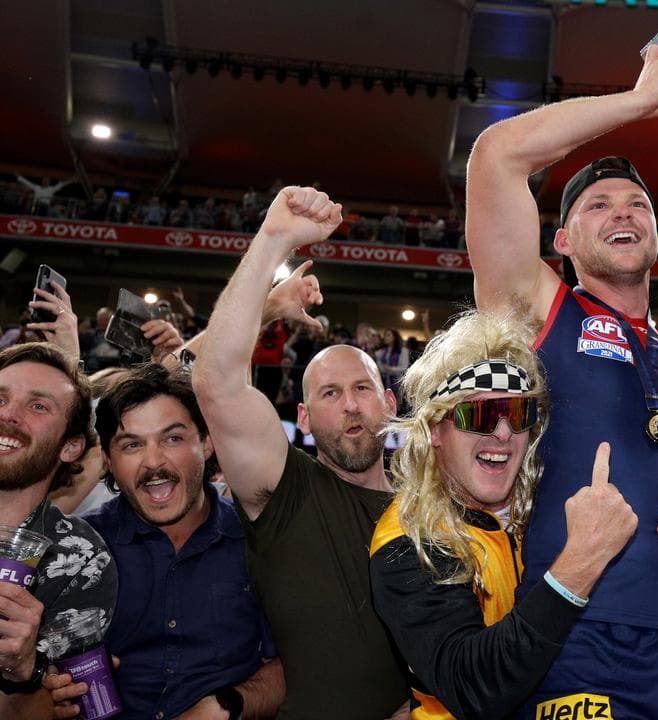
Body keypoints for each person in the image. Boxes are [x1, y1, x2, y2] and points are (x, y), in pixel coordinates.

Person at [464, 45, 658, 717]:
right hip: (584, 636)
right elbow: (496, 156)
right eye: (598, 205)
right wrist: (640, 101)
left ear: (657, 237)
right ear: (563, 242)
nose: (623, 212)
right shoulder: (539, 313)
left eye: (637, 205)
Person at [192, 187, 410, 719]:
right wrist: (273, 240)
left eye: (361, 389)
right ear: (305, 419)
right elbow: (217, 382)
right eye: (329, 394)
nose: (350, 405)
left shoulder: (430, 503)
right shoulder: (288, 488)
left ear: (388, 404)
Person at [370, 310, 637, 719]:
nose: (502, 433)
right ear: (436, 430)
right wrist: (581, 561)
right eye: (479, 415)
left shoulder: (547, 507)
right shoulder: (407, 538)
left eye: (517, 415)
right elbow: (475, 686)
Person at [78, 364, 282, 719]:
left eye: (173, 438)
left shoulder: (260, 542)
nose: (154, 461)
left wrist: (225, 707)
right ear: (107, 460)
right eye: (131, 445)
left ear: (206, 443)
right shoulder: (77, 549)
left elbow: (293, 664)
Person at [0, 343, 116, 720]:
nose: (8, 414)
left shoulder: (80, 559)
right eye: (0, 398)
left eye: (38, 406)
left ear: (71, 446)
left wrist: (23, 668)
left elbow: (57, 708)